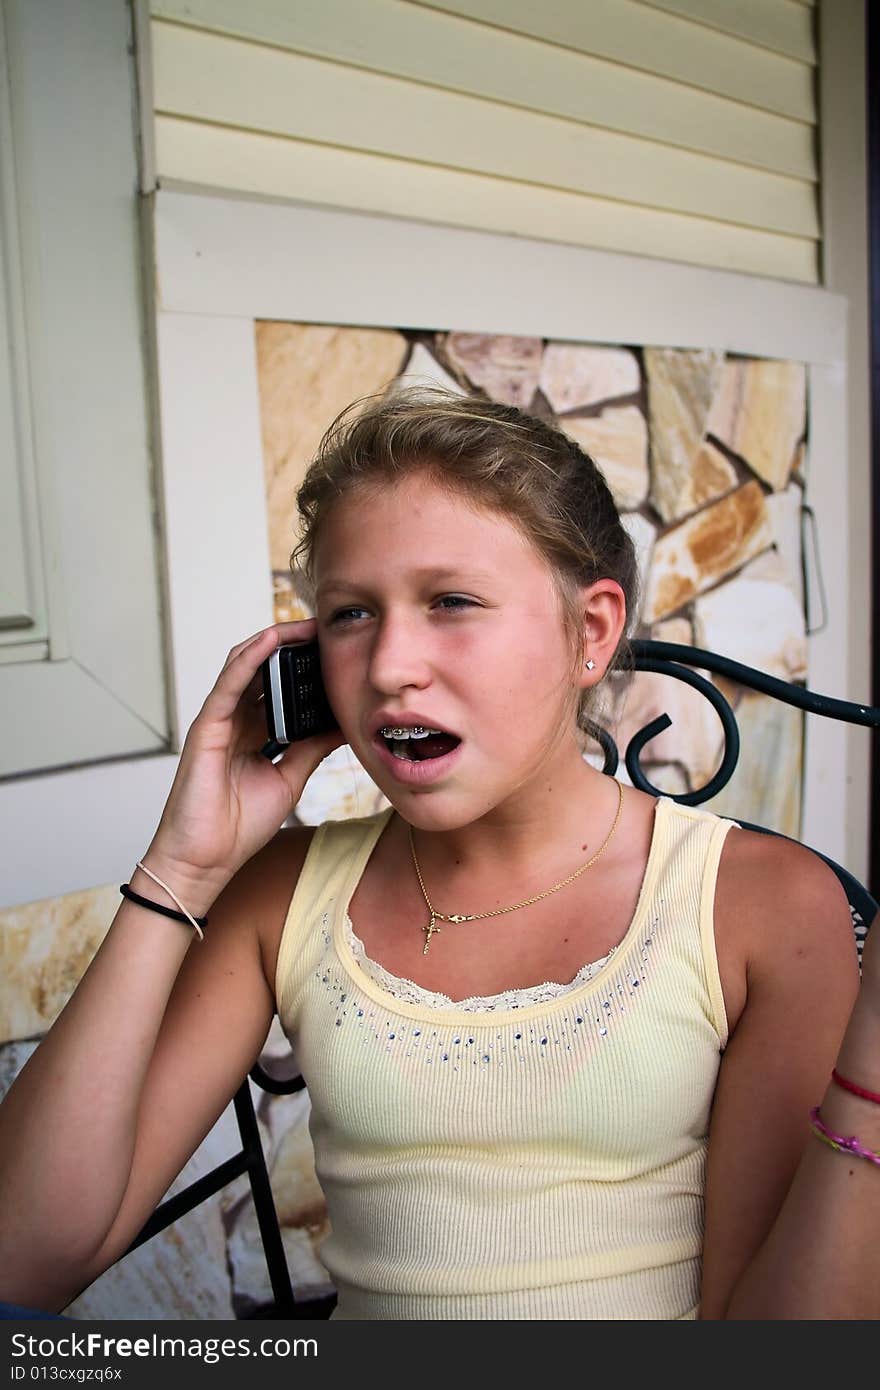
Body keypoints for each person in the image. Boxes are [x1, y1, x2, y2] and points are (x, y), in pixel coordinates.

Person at [0, 388, 877, 1320]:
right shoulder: (285, 895)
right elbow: (25, 1263)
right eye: (348, 615)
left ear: (590, 632)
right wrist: (181, 869)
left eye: (451, 601)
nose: (386, 668)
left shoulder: (757, 904)